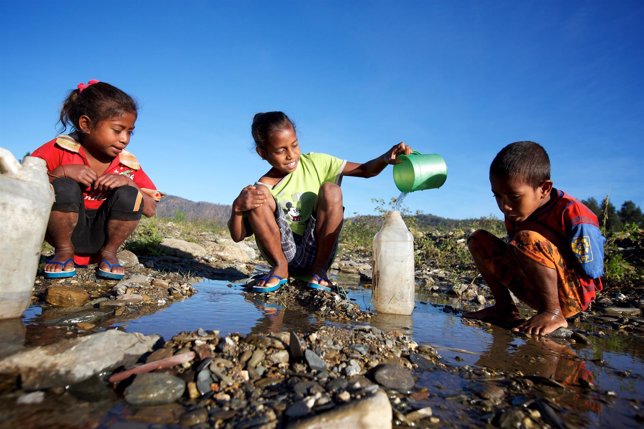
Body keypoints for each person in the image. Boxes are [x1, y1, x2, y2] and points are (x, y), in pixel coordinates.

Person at [228, 111, 411, 293]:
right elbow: (238, 236)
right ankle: (280, 269)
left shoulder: (316, 163)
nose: (291, 155)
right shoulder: (262, 187)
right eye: (281, 150)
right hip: (283, 253)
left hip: (317, 252)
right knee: (257, 195)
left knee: (331, 190)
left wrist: (386, 158)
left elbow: (365, 170)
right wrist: (237, 208)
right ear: (262, 152)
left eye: (294, 145)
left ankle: (320, 271)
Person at [464, 141, 604, 336]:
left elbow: (592, 270)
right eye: (498, 196)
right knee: (478, 239)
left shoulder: (574, 214)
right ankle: (505, 309)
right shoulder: (515, 213)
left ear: (544, 189)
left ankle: (553, 313)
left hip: (573, 297)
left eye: (514, 196)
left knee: (525, 238)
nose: (504, 206)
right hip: (536, 287)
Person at [32, 80, 161, 280]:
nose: (125, 139)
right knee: (63, 186)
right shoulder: (58, 149)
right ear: (86, 124)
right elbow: (26, 189)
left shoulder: (128, 163)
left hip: (104, 237)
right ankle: (63, 252)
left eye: (130, 132)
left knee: (130, 194)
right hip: (65, 234)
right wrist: (62, 171)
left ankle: (109, 254)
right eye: (118, 130)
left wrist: (129, 183)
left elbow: (151, 209)